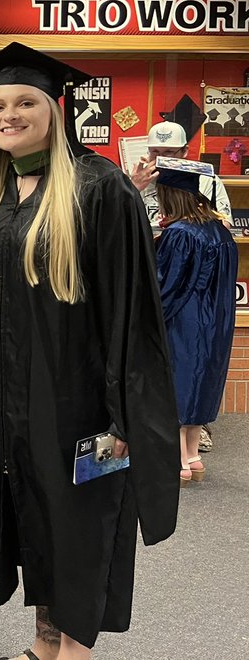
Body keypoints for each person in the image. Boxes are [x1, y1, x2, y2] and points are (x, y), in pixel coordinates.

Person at [0, 42, 178, 660]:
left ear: (54, 109)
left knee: (82, 521)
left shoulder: (100, 186)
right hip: (16, 401)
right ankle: (42, 644)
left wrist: (126, 412)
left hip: (83, 400)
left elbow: (132, 308)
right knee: (34, 515)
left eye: (25, 102)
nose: (9, 114)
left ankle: (75, 654)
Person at [152, 158, 236, 486]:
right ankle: (192, 456)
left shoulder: (181, 234)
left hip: (184, 321)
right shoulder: (219, 230)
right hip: (217, 320)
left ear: (169, 196)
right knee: (202, 381)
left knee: (178, 380)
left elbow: (165, 285)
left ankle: (177, 462)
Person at [130, 120, 230, 233]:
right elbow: (117, 221)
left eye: (168, 152)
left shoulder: (207, 179)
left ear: (184, 151)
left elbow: (224, 226)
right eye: (155, 151)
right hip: (146, 247)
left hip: (185, 245)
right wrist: (134, 187)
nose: (160, 158)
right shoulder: (137, 179)